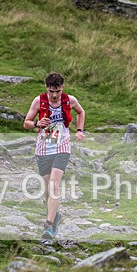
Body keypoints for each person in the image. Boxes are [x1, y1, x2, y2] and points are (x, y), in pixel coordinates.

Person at [23, 72, 86, 242]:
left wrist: (79, 131)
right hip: (43, 148)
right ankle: (55, 216)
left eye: (57, 91)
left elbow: (81, 112)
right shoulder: (39, 101)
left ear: (62, 88)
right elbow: (26, 123)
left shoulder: (69, 100)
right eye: (51, 91)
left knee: (54, 184)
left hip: (62, 146)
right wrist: (37, 123)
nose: (54, 95)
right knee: (46, 191)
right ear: (47, 88)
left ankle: (49, 226)